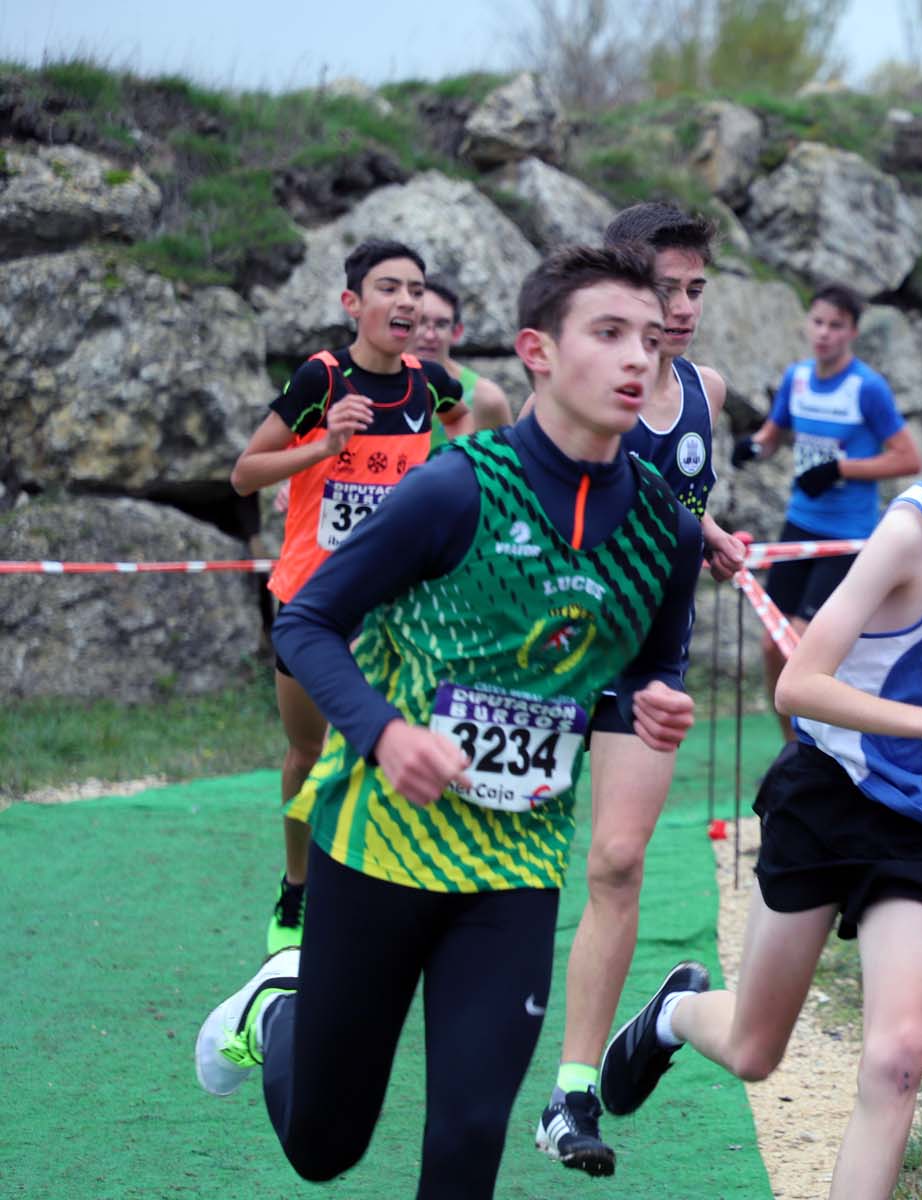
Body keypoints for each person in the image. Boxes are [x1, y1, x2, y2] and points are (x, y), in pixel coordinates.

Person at [194, 242, 702, 1200]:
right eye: (608, 333)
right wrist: (386, 733)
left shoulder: (664, 530)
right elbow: (307, 623)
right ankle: (277, 1007)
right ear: (538, 352)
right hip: (381, 845)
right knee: (325, 1147)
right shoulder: (456, 486)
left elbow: (640, 672)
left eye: (650, 335)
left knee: (469, 1139)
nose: (640, 355)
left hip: (512, 863)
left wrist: (647, 705)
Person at [602, 351, 922, 1199]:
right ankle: (673, 1015)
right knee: (756, 1050)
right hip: (830, 794)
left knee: (899, 1058)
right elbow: (800, 683)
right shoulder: (912, 535)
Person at [530, 202, 750, 1178]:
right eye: (666, 287)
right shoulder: (568, 383)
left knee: (617, 864)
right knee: (507, 868)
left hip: (648, 667)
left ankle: (572, 1093)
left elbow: (681, 511)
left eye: (697, 289)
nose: (683, 306)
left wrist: (711, 542)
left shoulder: (708, 389)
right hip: (543, 656)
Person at [229, 238, 472, 956]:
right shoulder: (322, 378)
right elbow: (245, 474)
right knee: (308, 752)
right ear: (352, 303)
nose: (407, 302)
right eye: (389, 287)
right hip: (312, 604)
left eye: (417, 290)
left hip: (398, 608)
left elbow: (467, 415)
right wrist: (322, 448)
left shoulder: (429, 383)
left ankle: (382, 895)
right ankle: (297, 887)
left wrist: (452, 470)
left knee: (385, 751)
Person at [730, 281, 922, 738]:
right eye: (818, 322)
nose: (824, 333)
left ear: (852, 332)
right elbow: (773, 436)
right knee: (772, 645)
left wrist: (841, 469)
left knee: (800, 645)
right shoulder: (797, 378)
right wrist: (751, 449)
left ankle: (820, 751)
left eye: (836, 326)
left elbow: (907, 458)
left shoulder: (867, 388)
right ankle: (791, 749)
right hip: (799, 524)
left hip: (846, 536)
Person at [414, 276, 515, 447]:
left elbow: (506, 468)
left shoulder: (486, 399)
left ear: (457, 332)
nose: (430, 335)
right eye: (421, 321)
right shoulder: (373, 383)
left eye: (441, 324)